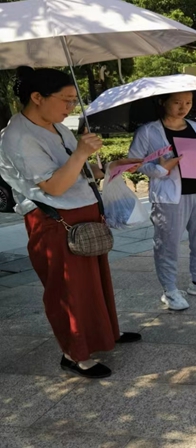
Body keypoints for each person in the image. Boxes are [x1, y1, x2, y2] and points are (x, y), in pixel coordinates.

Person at [0, 67, 143, 379]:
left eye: (72, 101)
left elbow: (74, 168)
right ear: (37, 97)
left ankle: (106, 334)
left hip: (81, 211)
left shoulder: (54, 126)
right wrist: (80, 152)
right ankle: (74, 354)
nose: (70, 108)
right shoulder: (18, 137)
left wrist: (104, 166)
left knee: (94, 282)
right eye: (65, 100)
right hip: (55, 220)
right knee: (69, 290)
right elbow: (53, 186)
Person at [128, 91, 196, 311]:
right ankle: (170, 290)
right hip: (170, 198)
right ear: (163, 102)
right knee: (168, 244)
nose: (184, 107)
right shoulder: (148, 131)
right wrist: (162, 168)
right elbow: (134, 163)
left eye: (188, 102)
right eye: (177, 102)